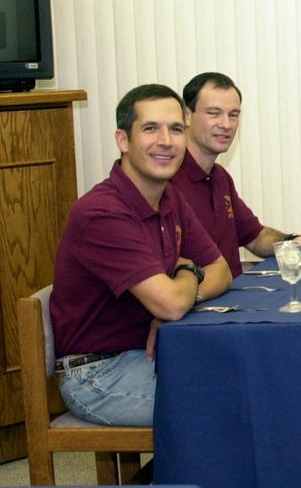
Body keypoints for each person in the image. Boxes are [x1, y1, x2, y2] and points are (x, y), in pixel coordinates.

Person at [50, 84, 233, 426]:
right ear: (123, 140)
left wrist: (179, 291)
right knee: (233, 404)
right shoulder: (101, 213)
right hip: (98, 374)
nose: (166, 140)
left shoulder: (169, 198)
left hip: (150, 352)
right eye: (150, 128)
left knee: (248, 376)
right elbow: (171, 303)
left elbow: (221, 270)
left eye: (176, 129)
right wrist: (190, 273)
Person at [168, 72, 301, 277]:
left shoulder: (220, 177)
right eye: (214, 113)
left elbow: (256, 238)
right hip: (198, 303)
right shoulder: (166, 182)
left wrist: (292, 241)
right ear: (186, 116)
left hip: (234, 299)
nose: (226, 124)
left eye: (233, 115)